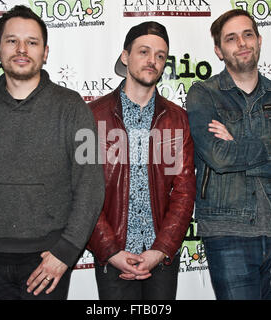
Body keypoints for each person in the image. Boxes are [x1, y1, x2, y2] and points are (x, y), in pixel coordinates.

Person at [0, 5, 105, 300]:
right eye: (11, 40)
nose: (21, 49)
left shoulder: (74, 109)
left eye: (32, 42)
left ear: (45, 52)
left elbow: (91, 186)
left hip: (48, 259)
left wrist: (66, 251)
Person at [186, 9, 271, 300]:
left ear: (259, 40)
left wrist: (239, 150)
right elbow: (218, 157)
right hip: (227, 233)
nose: (241, 43)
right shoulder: (203, 94)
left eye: (247, 35)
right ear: (219, 51)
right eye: (231, 39)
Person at [87, 21, 196, 300]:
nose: (153, 61)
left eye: (160, 56)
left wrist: (160, 250)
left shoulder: (176, 119)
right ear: (125, 57)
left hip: (160, 258)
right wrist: (109, 249)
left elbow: (183, 192)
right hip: (112, 256)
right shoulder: (92, 116)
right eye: (144, 52)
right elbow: (84, 192)